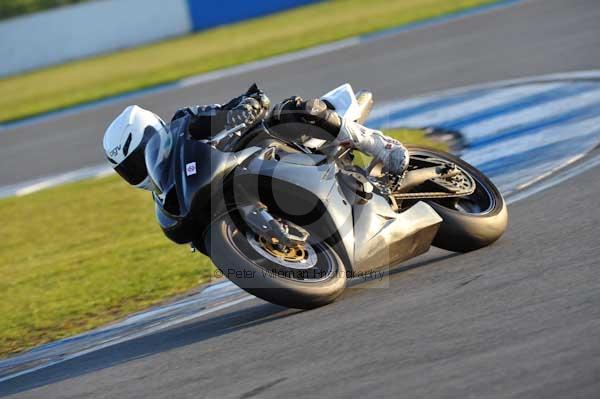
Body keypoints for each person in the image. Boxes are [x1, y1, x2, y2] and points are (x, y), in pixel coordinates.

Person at [102, 84, 409, 190]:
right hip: (249, 187)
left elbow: (243, 102)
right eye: (129, 169)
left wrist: (244, 108)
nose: (139, 169)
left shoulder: (187, 125)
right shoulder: (169, 193)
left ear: (152, 133)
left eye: (139, 157)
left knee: (291, 109)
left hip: (270, 150)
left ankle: (379, 145)